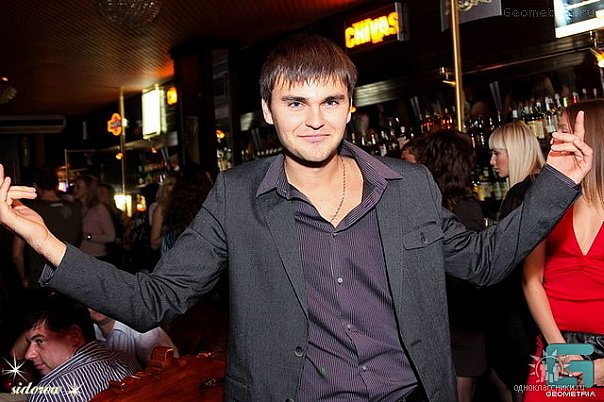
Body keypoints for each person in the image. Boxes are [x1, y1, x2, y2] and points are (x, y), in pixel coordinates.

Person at [0, 33, 592, 402]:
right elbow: (154, 299)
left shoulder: (406, 187)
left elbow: (484, 263)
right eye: (295, 102)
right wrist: (44, 239)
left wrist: (557, 182)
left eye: (330, 101)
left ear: (349, 106)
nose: (314, 119)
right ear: (268, 111)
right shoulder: (237, 196)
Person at [523, 99, 604, 401]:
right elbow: (531, 280)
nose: (555, 138)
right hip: (556, 350)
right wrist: (559, 349)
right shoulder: (548, 200)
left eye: (565, 130)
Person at [418, 130, 486, 402]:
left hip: (433, 317)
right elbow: (473, 266)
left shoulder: (422, 204)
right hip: (460, 318)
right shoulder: (466, 208)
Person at [486, 121, 545, 402]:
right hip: (542, 309)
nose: (492, 161)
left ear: (516, 151)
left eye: (497, 153)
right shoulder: (543, 186)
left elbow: (508, 262)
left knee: (524, 384)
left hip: (523, 314)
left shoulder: (520, 194)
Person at [19, 293, 139, 402]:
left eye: (39, 341)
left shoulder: (47, 394)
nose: (28, 354)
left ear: (74, 336)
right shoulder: (126, 360)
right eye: (30, 343)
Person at [12, 167, 81, 289]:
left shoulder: (30, 211)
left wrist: (23, 279)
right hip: (70, 280)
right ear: (57, 185)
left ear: (35, 186)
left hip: (41, 281)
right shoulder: (75, 208)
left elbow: (17, 254)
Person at [89, 308, 178, 368]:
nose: (95, 306)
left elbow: (169, 364)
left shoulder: (139, 325)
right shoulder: (89, 333)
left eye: (100, 297)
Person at [72, 174, 116, 261]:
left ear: (88, 189)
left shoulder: (99, 209)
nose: (74, 189)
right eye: (74, 186)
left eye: (78, 186)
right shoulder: (78, 208)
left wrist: (88, 237)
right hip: (81, 255)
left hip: (96, 257)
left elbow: (111, 236)